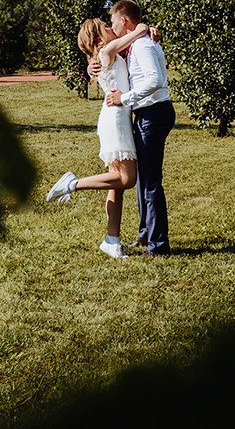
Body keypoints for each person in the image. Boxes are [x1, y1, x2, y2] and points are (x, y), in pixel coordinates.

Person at [44, 16, 155, 258]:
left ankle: (111, 241)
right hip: (115, 119)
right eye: (106, 26)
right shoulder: (107, 50)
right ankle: (72, 184)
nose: (110, 27)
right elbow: (131, 36)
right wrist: (142, 28)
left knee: (117, 184)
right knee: (127, 180)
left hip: (117, 116)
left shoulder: (106, 54)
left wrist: (148, 32)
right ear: (97, 38)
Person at [105, 0, 173, 256]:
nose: (112, 28)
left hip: (153, 114)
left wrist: (125, 98)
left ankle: (158, 245)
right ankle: (146, 233)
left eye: (113, 22)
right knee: (144, 178)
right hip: (149, 114)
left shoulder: (143, 45)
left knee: (152, 181)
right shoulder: (136, 43)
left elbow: (155, 80)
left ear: (124, 21)